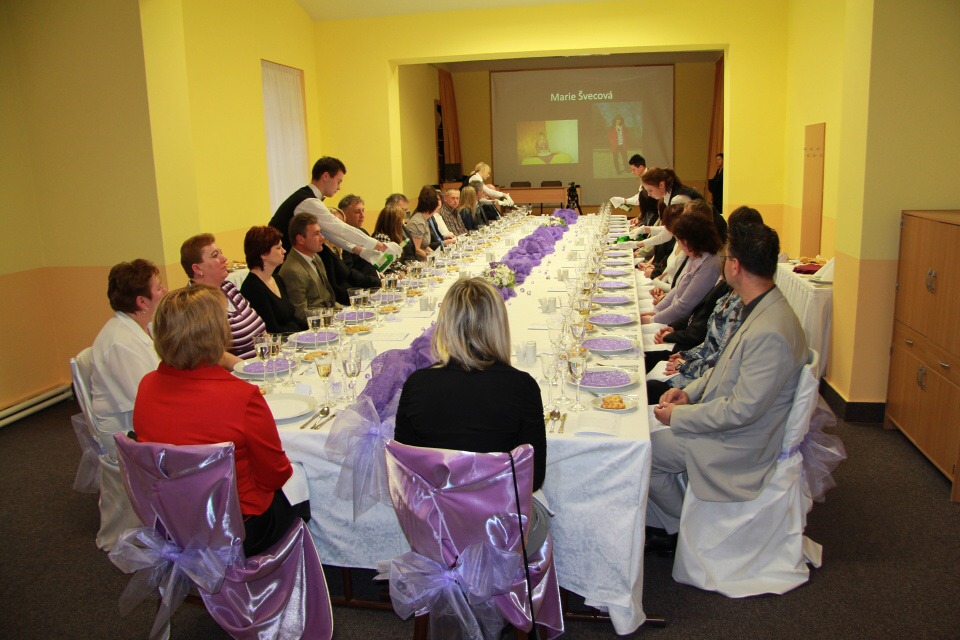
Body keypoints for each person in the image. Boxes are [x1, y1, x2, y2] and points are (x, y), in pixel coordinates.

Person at [645, 222, 807, 553]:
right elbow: (724, 366)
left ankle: (685, 530)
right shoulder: (759, 305)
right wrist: (689, 393)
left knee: (645, 454)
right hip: (728, 420)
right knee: (646, 435)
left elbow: (742, 411)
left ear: (735, 265)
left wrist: (679, 416)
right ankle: (670, 523)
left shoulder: (770, 331)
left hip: (738, 442)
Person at [133, 285, 306, 557]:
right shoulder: (241, 396)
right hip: (238, 527)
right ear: (217, 334)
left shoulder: (146, 386)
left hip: (171, 519)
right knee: (304, 481)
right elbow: (275, 475)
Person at [394, 277, 549, 547]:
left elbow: (407, 473)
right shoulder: (521, 386)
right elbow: (533, 479)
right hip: (501, 532)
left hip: (436, 529)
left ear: (445, 325)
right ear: (499, 326)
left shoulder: (417, 384)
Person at [88, 259, 165, 460]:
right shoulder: (119, 343)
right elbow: (145, 401)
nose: (164, 291)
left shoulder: (145, 326)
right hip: (127, 434)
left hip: (144, 417)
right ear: (142, 302)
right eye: (159, 288)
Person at [268, 156, 391, 262]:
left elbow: (331, 234)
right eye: (338, 181)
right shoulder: (309, 201)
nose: (339, 187)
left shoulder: (307, 196)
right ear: (326, 176)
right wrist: (380, 246)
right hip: (279, 258)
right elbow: (340, 228)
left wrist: (359, 250)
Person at [181, 233, 264, 361]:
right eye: (215, 255)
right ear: (197, 268)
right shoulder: (195, 304)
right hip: (237, 369)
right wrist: (250, 367)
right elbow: (215, 355)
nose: (224, 259)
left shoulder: (227, 287)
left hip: (260, 362)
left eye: (221, 253)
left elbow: (259, 328)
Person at [642, 206, 722, 325]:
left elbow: (684, 307)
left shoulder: (709, 265)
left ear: (687, 241)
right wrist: (655, 311)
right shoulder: (696, 255)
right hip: (674, 315)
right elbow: (677, 289)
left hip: (681, 322)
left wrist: (652, 320)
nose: (678, 244)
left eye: (679, 240)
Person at [240, 226, 306, 334]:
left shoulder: (277, 279)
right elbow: (272, 330)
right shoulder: (253, 288)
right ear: (263, 254)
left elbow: (290, 318)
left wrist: (311, 328)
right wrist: (302, 335)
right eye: (278, 248)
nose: (284, 251)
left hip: (292, 336)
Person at [277, 213, 339, 321]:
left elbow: (327, 296)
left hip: (330, 313)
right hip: (318, 324)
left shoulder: (315, 257)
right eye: (316, 234)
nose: (322, 238)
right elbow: (301, 314)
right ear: (300, 239)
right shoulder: (292, 271)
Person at [338, 194, 384, 283]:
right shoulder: (341, 238)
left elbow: (375, 259)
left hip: (376, 280)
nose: (362, 215)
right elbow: (350, 272)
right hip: (363, 285)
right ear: (344, 214)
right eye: (357, 212)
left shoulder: (363, 232)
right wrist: (375, 282)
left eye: (363, 211)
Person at [610, 154, 659, 229]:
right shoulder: (645, 176)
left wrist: (625, 201)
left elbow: (642, 199)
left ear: (641, 167)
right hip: (648, 214)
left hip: (654, 213)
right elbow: (641, 196)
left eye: (634, 169)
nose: (633, 172)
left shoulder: (650, 178)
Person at [405, 186, 442, 259]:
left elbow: (425, 246)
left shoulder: (425, 219)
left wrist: (437, 256)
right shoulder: (418, 222)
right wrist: (433, 259)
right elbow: (417, 250)